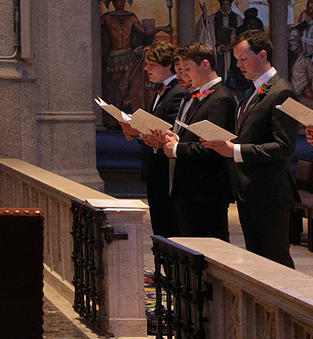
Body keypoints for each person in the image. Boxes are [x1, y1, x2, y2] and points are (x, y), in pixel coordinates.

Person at [194, 29, 298, 264]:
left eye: (243, 58)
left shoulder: (282, 92)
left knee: (275, 260)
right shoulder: (253, 89)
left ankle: (280, 302)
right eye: (236, 59)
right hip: (249, 189)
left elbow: (284, 146)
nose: (238, 65)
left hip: (269, 191)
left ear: (262, 55)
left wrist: (235, 150)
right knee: (258, 260)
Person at [164, 44, 237, 241]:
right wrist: (174, 138)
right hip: (190, 189)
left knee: (208, 249)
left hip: (206, 192)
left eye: (187, 69)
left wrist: (177, 148)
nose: (185, 75)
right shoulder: (200, 96)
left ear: (205, 64)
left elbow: (214, 149)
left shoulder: (221, 99)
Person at [127, 43, 184, 233]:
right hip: (154, 167)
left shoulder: (178, 92)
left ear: (167, 64)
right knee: (159, 225)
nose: (146, 69)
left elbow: (169, 130)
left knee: (167, 225)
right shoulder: (161, 89)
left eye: (151, 64)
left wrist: (141, 133)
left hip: (165, 168)